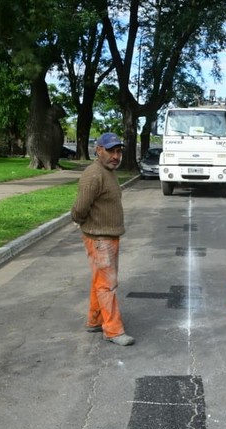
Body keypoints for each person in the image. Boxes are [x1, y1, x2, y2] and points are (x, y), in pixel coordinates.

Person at [71, 132, 135, 346]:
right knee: (107, 285)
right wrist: (80, 221)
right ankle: (113, 330)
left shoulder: (108, 172)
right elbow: (80, 208)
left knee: (100, 280)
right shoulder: (93, 175)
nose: (116, 156)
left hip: (107, 236)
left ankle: (95, 320)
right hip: (100, 239)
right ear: (98, 150)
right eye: (110, 151)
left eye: (118, 152)